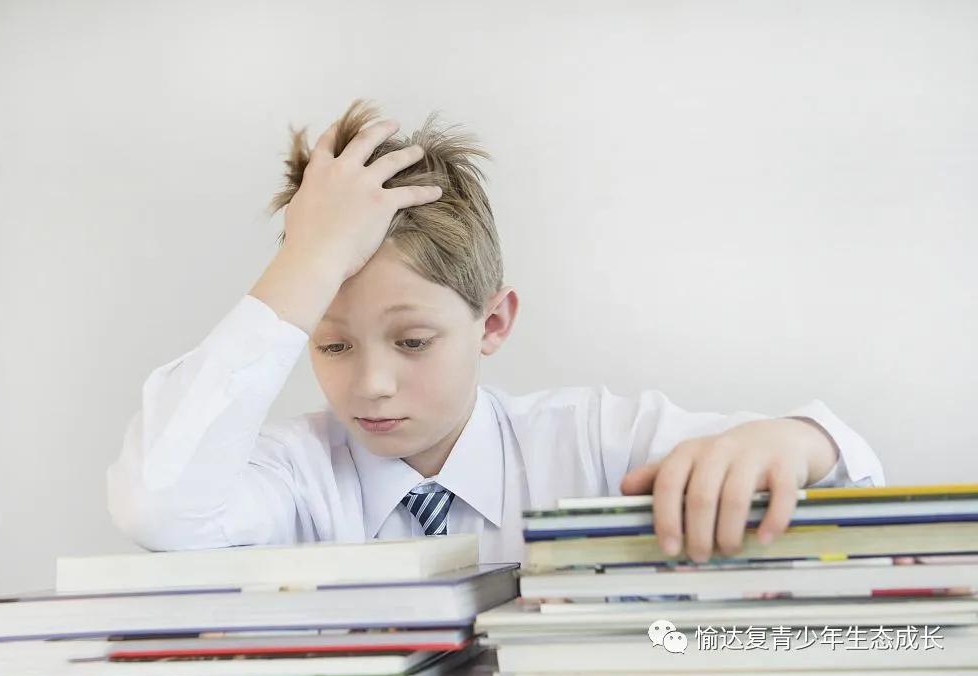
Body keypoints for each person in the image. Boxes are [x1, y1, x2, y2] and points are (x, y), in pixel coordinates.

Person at [107, 99, 884, 565]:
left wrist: (792, 442)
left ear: (494, 322)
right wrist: (307, 261)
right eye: (332, 344)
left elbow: (851, 476)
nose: (370, 384)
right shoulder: (294, 476)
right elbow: (160, 508)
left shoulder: (590, 442)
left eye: (412, 342)